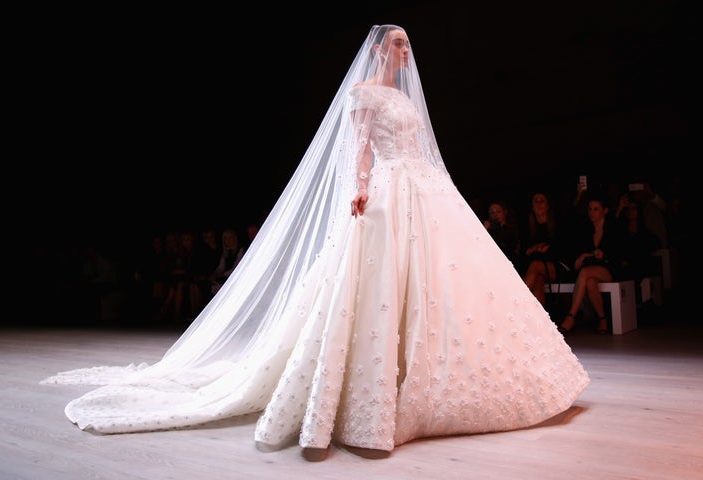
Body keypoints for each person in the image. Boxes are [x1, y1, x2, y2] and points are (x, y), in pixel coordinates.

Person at [42, 25, 589, 454]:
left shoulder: (409, 102)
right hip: (386, 190)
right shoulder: (363, 93)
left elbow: (421, 152)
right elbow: (362, 149)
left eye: (407, 44)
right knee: (377, 280)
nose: (405, 52)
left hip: (424, 190)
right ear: (379, 49)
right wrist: (358, 187)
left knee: (445, 285)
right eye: (397, 44)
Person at [557, 194, 626, 336]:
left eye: (596, 209)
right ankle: (603, 320)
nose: (592, 212)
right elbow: (581, 250)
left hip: (610, 267)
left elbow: (618, 252)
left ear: (604, 211)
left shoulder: (613, 227)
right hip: (593, 269)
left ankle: (571, 317)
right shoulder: (587, 229)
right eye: (590, 209)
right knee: (590, 282)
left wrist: (597, 254)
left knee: (585, 273)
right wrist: (585, 255)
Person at [518, 191, 573, 311]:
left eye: (542, 201)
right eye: (535, 201)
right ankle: (540, 322)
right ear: (532, 205)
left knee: (535, 265)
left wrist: (543, 249)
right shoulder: (527, 227)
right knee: (537, 280)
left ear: (548, 204)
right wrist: (534, 249)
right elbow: (524, 253)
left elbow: (563, 249)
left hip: (558, 267)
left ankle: (516, 304)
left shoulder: (558, 222)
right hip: (537, 269)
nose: (539, 204)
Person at [482, 199, 521, 265]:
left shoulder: (512, 229)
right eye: (492, 213)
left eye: (498, 211)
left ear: (505, 212)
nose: (495, 215)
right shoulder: (488, 230)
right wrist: (484, 231)